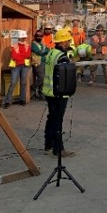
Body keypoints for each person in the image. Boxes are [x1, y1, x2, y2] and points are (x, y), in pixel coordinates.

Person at [43, 28, 75, 158]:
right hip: (58, 93)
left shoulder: (51, 53)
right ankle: (58, 148)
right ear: (62, 42)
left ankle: (48, 145)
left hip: (49, 91)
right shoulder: (62, 57)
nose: (68, 43)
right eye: (67, 41)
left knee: (51, 118)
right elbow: (63, 77)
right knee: (57, 120)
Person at [3, 30, 31, 107]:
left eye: (24, 38)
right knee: (13, 83)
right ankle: (7, 101)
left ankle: (22, 99)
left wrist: (20, 57)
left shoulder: (27, 45)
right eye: (22, 38)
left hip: (24, 66)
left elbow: (28, 55)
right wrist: (22, 57)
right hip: (16, 66)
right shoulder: (14, 45)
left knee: (23, 83)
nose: (24, 39)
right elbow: (14, 56)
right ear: (19, 38)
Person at [31, 29, 49, 100]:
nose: (39, 37)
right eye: (37, 36)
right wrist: (44, 50)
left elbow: (48, 50)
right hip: (38, 63)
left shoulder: (42, 44)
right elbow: (39, 52)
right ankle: (33, 88)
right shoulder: (33, 44)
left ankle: (41, 94)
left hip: (44, 62)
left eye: (40, 36)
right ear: (35, 36)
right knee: (41, 78)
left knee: (44, 79)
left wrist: (44, 50)